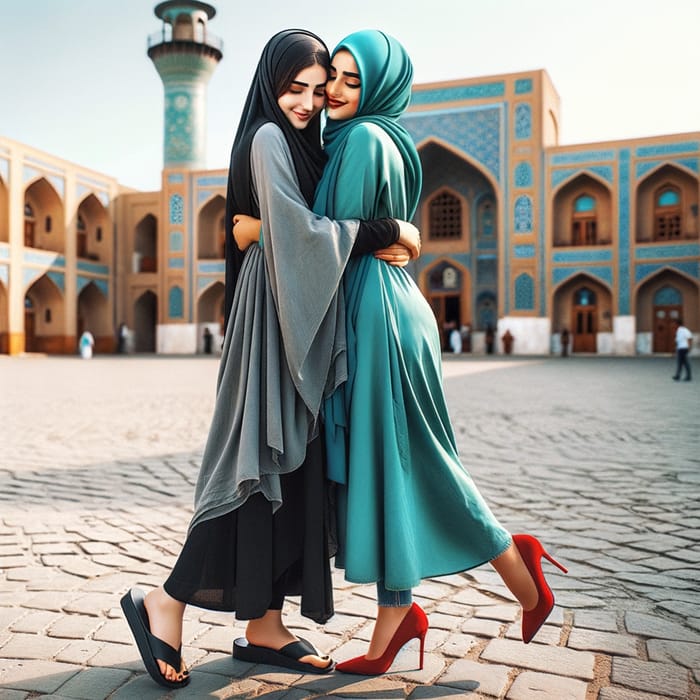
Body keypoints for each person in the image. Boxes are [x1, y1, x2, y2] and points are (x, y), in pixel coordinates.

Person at [119, 29, 420, 690]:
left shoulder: (308, 143)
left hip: (301, 317)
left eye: (320, 89)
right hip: (271, 322)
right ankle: (163, 602)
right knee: (255, 461)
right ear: (269, 85)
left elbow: (287, 228)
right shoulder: (266, 138)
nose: (310, 102)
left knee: (293, 468)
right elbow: (297, 231)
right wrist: (387, 231)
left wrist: (268, 229)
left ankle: (263, 625)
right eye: (295, 89)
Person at [312, 30, 566, 675]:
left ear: (377, 87)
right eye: (331, 77)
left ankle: (517, 562)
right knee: (392, 467)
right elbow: (368, 232)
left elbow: (330, 239)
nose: (334, 90)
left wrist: (262, 229)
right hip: (382, 303)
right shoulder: (373, 139)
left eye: (351, 79)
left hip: (378, 316)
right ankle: (396, 623)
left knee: (412, 459)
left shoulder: (366, 140)